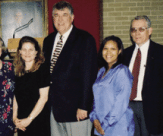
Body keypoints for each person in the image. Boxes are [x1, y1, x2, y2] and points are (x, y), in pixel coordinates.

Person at [42, 1, 98, 135]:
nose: (60, 19)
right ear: (52, 19)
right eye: (56, 15)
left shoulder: (85, 39)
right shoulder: (48, 41)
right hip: (54, 109)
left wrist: (84, 106)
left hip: (76, 110)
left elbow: (88, 76)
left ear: (72, 17)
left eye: (64, 15)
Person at [123, 15, 163, 136]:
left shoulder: (160, 52)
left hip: (153, 110)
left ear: (150, 31)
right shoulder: (125, 54)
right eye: (133, 29)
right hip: (128, 108)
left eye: (141, 29)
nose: (137, 33)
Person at [89, 35, 135, 136]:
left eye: (113, 49)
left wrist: (104, 124)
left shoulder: (122, 71)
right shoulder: (101, 71)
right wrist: (94, 118)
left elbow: (120, 104)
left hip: (117, 127)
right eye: (105, 48)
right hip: (100, 127)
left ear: (119, 51)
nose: (108, 52)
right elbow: (96, 98)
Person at [13, 36, 50, 136]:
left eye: (31, 50)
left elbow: (43, 98)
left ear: (36, 52)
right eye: (24, 49)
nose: (27, 53)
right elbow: (16, 97)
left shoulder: (42, 70)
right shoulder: (17, 71)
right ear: (19, 51)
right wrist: (15, 118)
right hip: (22, 120)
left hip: (38, 119)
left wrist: (29, 119)